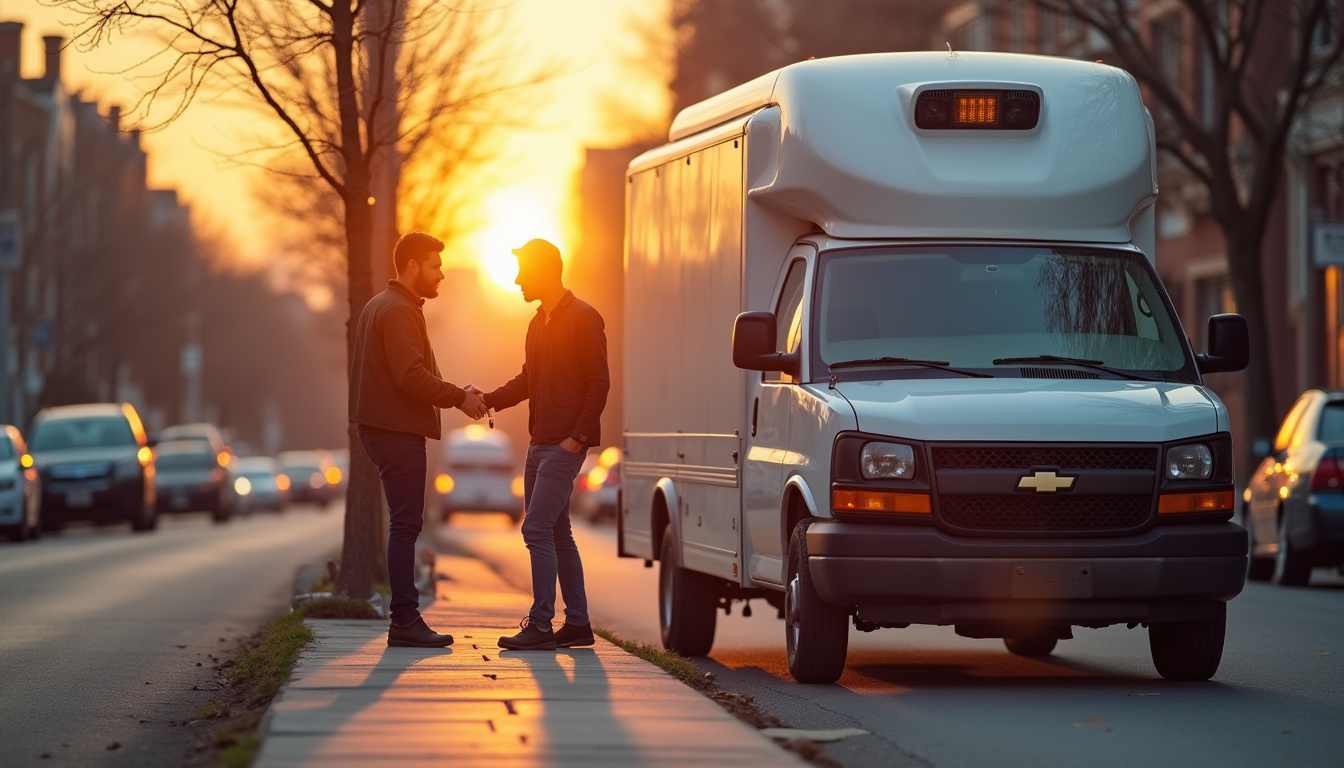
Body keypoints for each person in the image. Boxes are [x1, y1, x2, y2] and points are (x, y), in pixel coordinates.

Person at [349, 231, 487, 648]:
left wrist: (458, 391)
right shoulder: (398, 310)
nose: (441, 274)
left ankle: (405, 619)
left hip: (385, 428)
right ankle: (405, 621)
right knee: (406, 524)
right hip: (397, 431)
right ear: (412, 267)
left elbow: (410, 370)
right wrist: (459, 398)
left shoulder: (383, 304)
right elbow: (410, 376)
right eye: (434, 265)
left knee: (404, 523)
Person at [476, 238, 609, 651]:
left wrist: (577, 438)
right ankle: (579, 624)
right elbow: (527, 380)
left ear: (548, 271)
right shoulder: (537, 323)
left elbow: (599, 383)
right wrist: (488, 400)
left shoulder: (584, 317)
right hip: (539, 445)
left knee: (535, 528)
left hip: (563, 447)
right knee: (557, 531)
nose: (517, 281)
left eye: (524, 272)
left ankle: (540, 625)